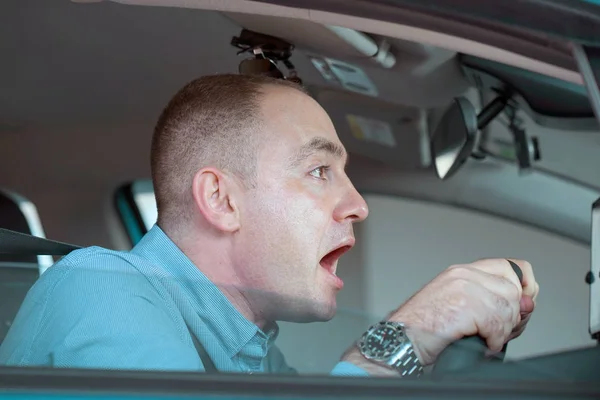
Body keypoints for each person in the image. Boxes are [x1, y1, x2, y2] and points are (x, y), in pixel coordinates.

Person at [0, 74, 539, 377]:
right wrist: (409, 334)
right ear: (221, 199)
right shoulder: (99, 285)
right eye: (320, 171)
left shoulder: (259, 359)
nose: (357, 205)